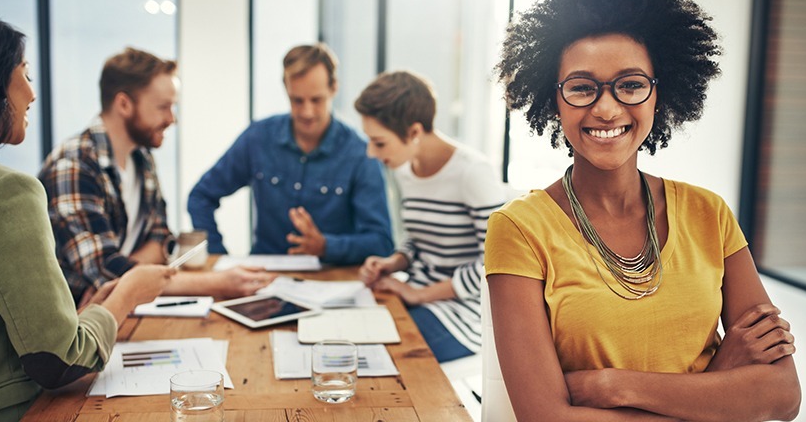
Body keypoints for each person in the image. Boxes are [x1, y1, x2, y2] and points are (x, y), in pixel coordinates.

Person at [485, 0, 801, 421]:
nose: (607, 108)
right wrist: (718, 381)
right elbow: (544, 417)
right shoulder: (519, 228)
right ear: (554, 99)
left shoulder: (709, 213)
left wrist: (611, 385)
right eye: (581, 88)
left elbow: (782, 396)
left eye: (631, 85)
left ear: (658, 93)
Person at [0, 7, 173, 421]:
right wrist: (130, 289)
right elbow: (62, 358)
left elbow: (161, 236)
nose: (32, 92)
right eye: (25, 73)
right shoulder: (6, 192)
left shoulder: (144, 162)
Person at [39, 48, 274, 306]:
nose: (172, 119)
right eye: (163, 107)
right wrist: (217, 282)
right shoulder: (73, 166)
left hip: (124, 309)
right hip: (79, 324)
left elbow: (161, 237)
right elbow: (104, 270)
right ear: (124, 104)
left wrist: (129, 275)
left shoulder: (141, 157)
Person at [187, 44, 394, 265]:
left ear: (334, 88)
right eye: (297, 100)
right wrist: (220, 258)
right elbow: (200, 197)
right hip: (263, 276)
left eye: (316, 100)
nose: (306, 112)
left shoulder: (360, 153)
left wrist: (326, 246)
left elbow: (381, 243)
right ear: (286, 89)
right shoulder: (258, 138)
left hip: (332, 279)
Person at [355, 71, 508, 362]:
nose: (371, 153)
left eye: (380, 143)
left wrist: (419, 295)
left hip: (463, 315)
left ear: (413, 132)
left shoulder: (472, 172)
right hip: (413, 296)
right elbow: (419, 237)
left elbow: (497, 263)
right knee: (347, 334)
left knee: (375, 355)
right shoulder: (404, 171)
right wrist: (393, 262)